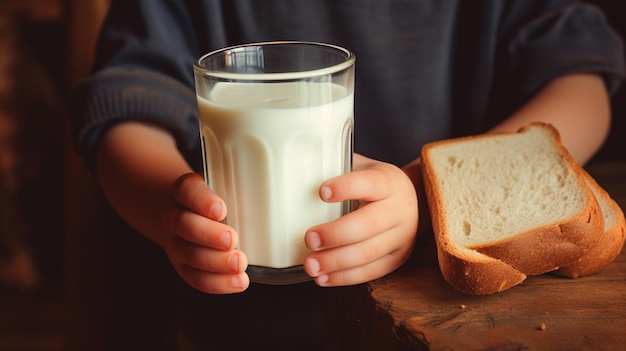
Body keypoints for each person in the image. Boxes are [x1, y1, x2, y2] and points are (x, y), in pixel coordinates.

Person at [70, 0, 624, 349]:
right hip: (241, 325)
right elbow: (124, 109)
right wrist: (169, 211)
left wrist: (435, 196)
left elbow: (580, 78)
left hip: (455, 317)